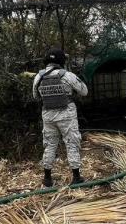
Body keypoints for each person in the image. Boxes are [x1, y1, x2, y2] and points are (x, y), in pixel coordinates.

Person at [33, 48, 88, 187]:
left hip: (48, 114)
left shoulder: (38, 77)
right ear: (61, 61)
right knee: (72, 143)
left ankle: (47, 178)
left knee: (50, 145)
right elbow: (84, 91)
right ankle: (76, 177)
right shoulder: (67, 75)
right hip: (66, 114)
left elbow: (35, 96)